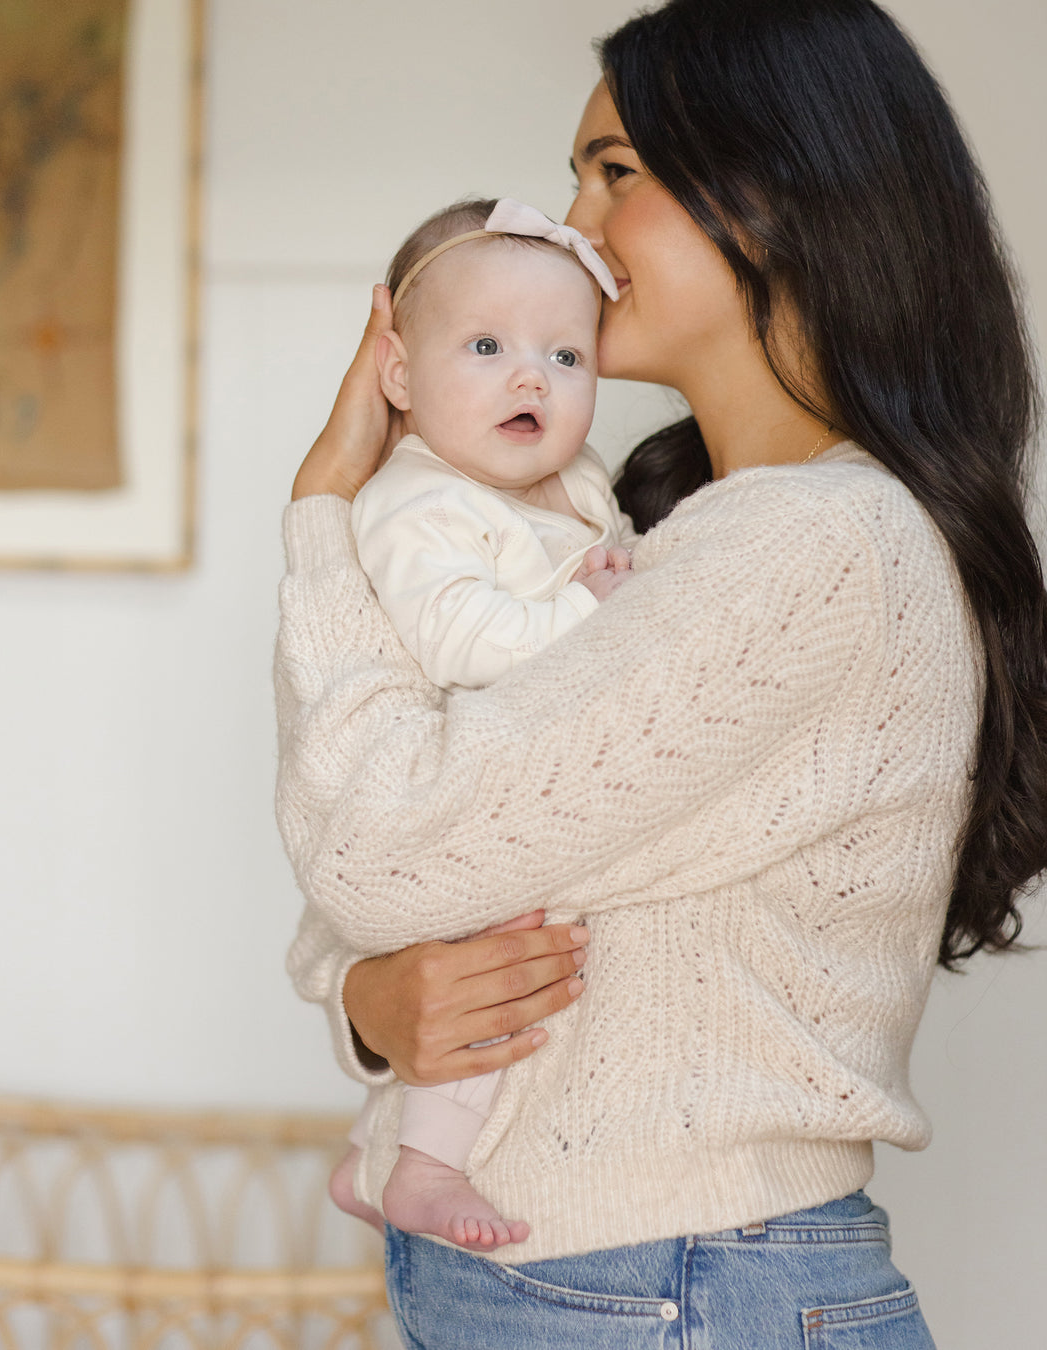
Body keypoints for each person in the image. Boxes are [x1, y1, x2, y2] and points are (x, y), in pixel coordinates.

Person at [274, 1, 1047, 1344]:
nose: (571, 222)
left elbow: (378, 847)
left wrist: (322, 510)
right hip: (629, 1277)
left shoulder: (811, 548)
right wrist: (363, 996)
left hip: (668, 1284)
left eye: (612, 172)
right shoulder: (667, 535)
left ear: (775, 198)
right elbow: (463, 850)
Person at [334, 195, 635, 1250]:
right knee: (498, 970)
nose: (531, 379)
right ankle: (420, 1167)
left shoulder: (568, 481)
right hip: (458, 809)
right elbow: (461, 638)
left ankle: (375, 1152)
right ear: (400, 379)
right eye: (488, 346)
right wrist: (588, 608)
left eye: (566, 355)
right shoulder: (418, 502)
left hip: (526, 779)